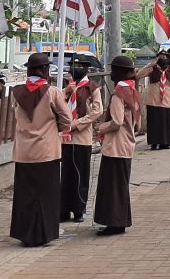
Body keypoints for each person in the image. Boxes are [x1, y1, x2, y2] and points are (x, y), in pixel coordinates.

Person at [10, 53, 72, 247]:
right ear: (45, 71)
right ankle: (44, 233)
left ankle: (25, 234)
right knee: (46, 195)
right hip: (46, 152)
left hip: (24, 152)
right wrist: (56, 128)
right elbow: (67, 118)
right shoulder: (52, 92)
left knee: (25, 194)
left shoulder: (16, 92)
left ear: (29, 70)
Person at [95, 55, 141, 235]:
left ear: (120, 73)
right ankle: (119, 222)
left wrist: (100, 127)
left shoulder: (118, 94)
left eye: (114, 70)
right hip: (127, 144)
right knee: (120, 186)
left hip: (115, 146)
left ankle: (114, 223)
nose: (111, 73)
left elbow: (116, 121)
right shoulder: (132, 91)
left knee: (112, 187)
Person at [61, 57, 103, 224]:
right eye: (73, 65)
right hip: (65, 139)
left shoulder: (92, 88)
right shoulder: (66, 87)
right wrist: (66, 92)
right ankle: (63, 209)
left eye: (79, 66)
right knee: (65, 176)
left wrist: (77, 123)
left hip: (81, 137)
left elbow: (96, 111)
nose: (75, 68)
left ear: (86, 69)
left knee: (81, 174)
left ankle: (79, 208)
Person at [138, 53, 170, 150]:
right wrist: (150, 65)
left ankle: (165, 143)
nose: (163, 58)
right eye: (160, 57)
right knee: (153, 123)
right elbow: (138, 75)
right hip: (153, 101)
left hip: (166, 101)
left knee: (165, 123)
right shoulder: (152, 70)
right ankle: (154, 142)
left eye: (164, 57)